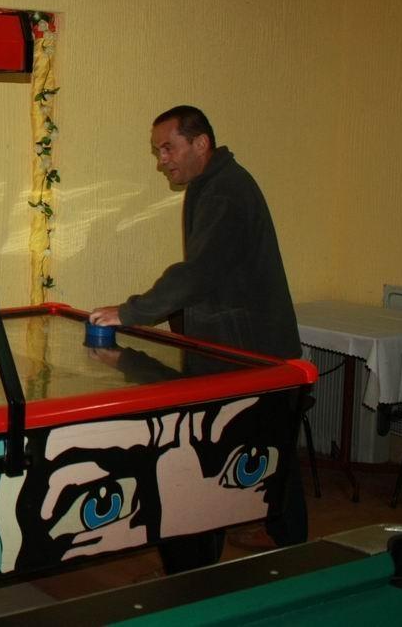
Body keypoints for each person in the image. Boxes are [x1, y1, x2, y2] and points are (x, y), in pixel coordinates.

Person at [88, 105, 306, 572]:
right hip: (236, 350)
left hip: (253, 355)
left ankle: (293, 557)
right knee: (253, 451)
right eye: (157, 151)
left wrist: (130, 311)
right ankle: (263, 544)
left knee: (271, 455)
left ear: (201, 143)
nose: (161, 160)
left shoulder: (225, 192)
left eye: (168, 148)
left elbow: (198, 273)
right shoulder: (211, 185)